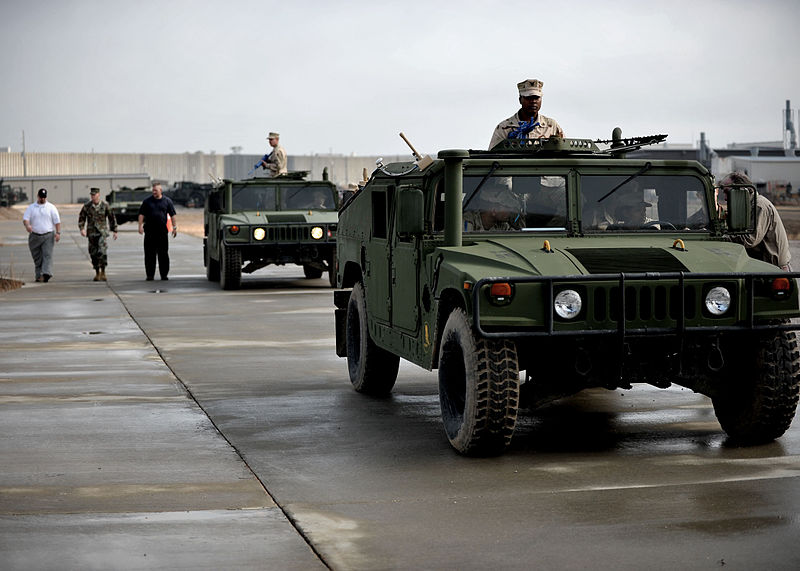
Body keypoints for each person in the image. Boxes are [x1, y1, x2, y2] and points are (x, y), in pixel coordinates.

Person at [718, 171, 791, 271]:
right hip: (763, 266)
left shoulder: (759, 206)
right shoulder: (745, 205)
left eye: (727, 192)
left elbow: (750, 239)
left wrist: (721, 239)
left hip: (773, 269)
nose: (725, 198)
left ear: (741, 190)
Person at [489, 79, 565, 149]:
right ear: (520, 100)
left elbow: (565, 153)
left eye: (536, 98)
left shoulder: (551, 126)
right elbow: (493, 158)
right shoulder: (504, 128)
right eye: (529, 98)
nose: (533, 101)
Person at [137, 182, 178, 280]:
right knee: (149, 255)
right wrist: (140, 226)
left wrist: (174, 227)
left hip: (162, 233)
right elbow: (141, 214)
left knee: (163, 254)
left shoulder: (167, 201)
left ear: (161, 191)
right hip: (150, 233)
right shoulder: (147, 201)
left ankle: (164, 275)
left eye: (156, 190)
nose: (154, 192)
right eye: (153, 190)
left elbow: (173, 215)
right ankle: (150, 275)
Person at [78, 187, 118, 281]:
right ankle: (97, 272)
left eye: (94, 195)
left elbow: (112, 218)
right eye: (91, 195)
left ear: (98, 195)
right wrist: (82, 228)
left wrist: (115, 230)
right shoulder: (87, 206)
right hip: (91, 233)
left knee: (102, 252)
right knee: (93, 253)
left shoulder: (105, 205)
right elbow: (82, 217)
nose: (93, 196)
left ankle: (103, 271)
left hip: (102, 233)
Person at [22, 188, 61, 282]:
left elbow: (57, 221)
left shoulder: (51, 207)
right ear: (38, 196)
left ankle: (46, 274)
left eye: (44, 197)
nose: (42, 199)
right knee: (37, 257)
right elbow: (25, 219)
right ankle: (39, 275)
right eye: (41, 197)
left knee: (47, 255)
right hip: (34, 236)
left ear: (46, 197)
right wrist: (27, 226)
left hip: (48, 235)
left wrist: (58, 233)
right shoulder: (31, 207)